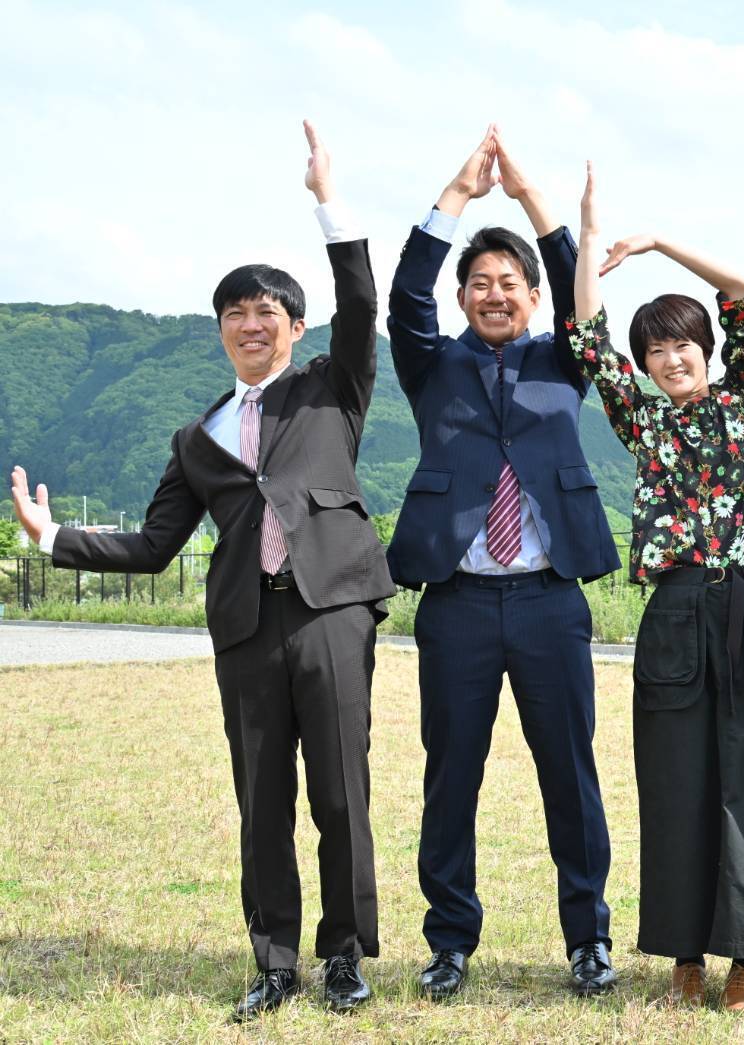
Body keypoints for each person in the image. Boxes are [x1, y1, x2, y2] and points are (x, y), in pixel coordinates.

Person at [10, 122, 392, 1021]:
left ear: (295, 326)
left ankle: (343, 956)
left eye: (266, 312)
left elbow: (361, 301)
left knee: (341, 793)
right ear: (220, 331)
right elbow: (152, 545)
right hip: (245, 627)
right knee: (262, 799)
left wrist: (327, 200)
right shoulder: (198, 436)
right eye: (235, 314)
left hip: (331, 611)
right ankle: (273, 962)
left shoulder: (332, 387)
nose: (251, 325)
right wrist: (50, 534)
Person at [566, 163, 744, 1012]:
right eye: (655, 349)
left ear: (706, 349)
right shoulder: (641, 419)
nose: (670, 357)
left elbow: (741, 289)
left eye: (682, 343)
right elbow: (586, 334)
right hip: (678, 607)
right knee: (678, 778)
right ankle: (684, 950)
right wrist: (591, 237)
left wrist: (659, 243)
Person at [385, 127, 621, 1001]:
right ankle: (448, 940)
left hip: (549, 599)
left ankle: (587, 938)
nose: (494, 294)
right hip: (456, 601)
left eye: (508, 283)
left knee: (570, 773)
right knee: (451, 776)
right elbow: (405, 294)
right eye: (479, 283)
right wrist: (455, 194)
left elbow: (576, 289)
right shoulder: (431, 363)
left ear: (531, 296)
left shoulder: (566, 357)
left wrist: (530, 199)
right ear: (463, 297)